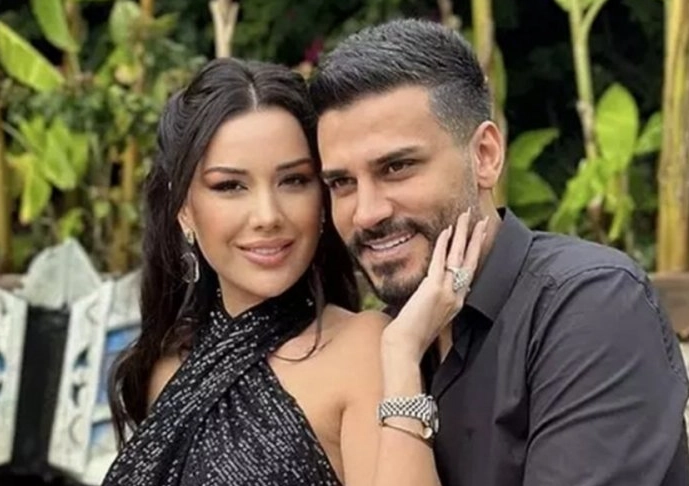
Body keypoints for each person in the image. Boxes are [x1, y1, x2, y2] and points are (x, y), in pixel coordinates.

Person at [310, 18, 689, 486]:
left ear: (486, 156)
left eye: (397, 167)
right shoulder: (389, 341)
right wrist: (401, 355)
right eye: (341, 183)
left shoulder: (591, 305)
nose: (367, 213)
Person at [102, 57, 476, 485]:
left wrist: (403, 353)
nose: (268, 216)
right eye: (230, 186)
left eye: (294, 180)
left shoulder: (362, 350)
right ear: (184, 209)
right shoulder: (168, 365)